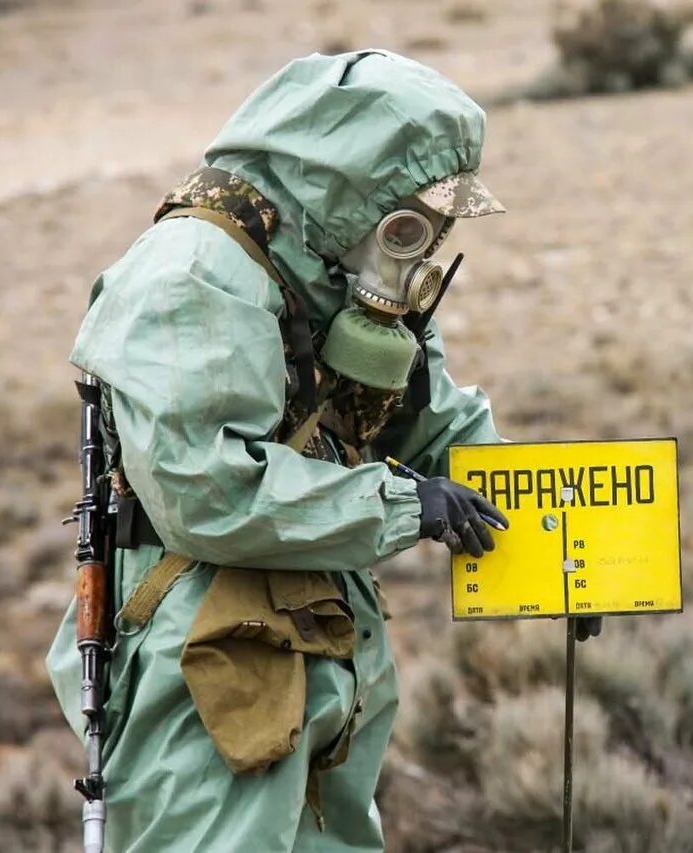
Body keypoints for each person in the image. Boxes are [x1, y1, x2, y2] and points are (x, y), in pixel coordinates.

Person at [47, 50, 511, 851]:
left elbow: (432, 423)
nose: (427, 237)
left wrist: (559, 530)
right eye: (416, 212)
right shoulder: (196, 272)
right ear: (355, 185)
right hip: (209, 674)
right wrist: (402, 503)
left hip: (321, 658)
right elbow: (206, 489)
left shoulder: (337, 266)